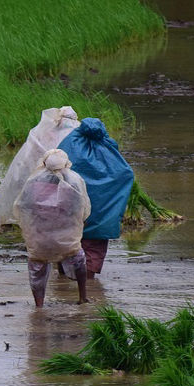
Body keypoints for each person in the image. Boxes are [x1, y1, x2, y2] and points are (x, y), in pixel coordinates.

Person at [56, 118, 134, 278]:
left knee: (66, 246)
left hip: (71, 216)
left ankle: (63, 286)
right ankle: (89, 289)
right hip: (101, 218)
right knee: (93, 250)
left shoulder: (69, 143)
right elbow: (124, 174)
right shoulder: (108, 147)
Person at [14, 149, 90, 306]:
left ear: (44, 163)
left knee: (37, 268)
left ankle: (39, 306)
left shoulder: (33, 181)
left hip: (40, 237)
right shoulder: (74, 180)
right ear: (66, 164)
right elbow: (82, 208)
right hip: (66, 236)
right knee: (78, 259)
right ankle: (83, 297)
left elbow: (22, 207)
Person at [0, 106, 80, 229]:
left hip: (44, 181)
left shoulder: (43, 132)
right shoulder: (76, 134)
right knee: (58, 210)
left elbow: (27, 159)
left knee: (44, 209)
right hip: (62, 181)